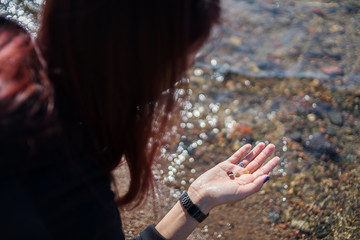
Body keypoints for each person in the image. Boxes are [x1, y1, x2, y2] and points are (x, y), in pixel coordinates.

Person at [0, 0, 280, 239]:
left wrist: (198, 197)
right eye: (181, 64)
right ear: (139, 66)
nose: (178, 78)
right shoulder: (74, 193)